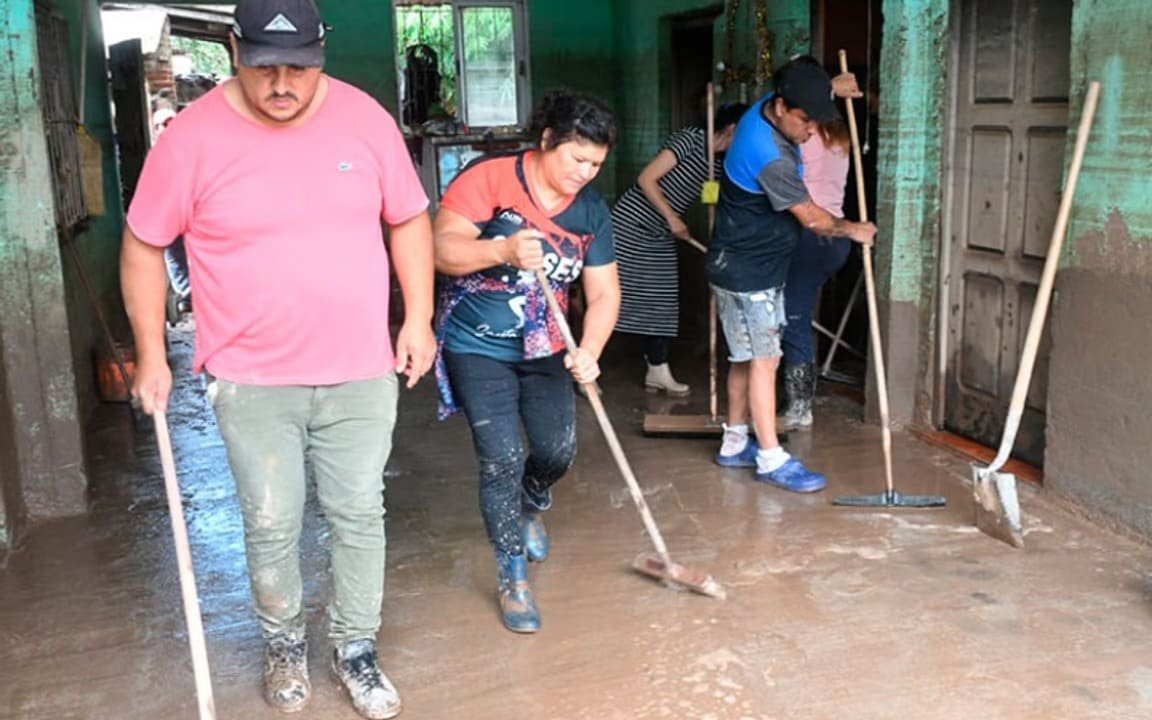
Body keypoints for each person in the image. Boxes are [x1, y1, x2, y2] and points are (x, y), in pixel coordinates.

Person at [120, 0, 435, 717]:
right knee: (270, 518)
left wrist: (416, 317)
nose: (283, 84)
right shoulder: (191, 139)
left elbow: (409, 218)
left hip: (358, 368)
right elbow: (142, 245)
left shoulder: (366, 120)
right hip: (250, 376)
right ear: (234, 49)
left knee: (360, 513)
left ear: (324, 51)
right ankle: (284, 643)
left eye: (300, 66)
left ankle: (356, 648)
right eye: (266, 66)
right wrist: (150, 354)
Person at [432, 91, 619, 634]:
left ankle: (532, 500)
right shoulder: (489, 180)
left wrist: (591, 350)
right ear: (546, 142)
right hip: (477, 345)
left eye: (595, 164)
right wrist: (502, 250)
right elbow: (442, 249)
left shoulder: (590, 211)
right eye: (575, 159)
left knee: (557, 450)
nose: (584, 173)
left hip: (546, 349)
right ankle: (513, 576)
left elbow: (604, 293)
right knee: (502, 457)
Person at [707, 57, 875, 493]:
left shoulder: (764, 108)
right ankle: (770, 457)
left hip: (732, 264)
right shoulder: (769, 156)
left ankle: (733, 442)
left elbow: (790, 79)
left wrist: (830, 88)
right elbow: (815, 220)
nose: (809, 131)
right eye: (805, 121)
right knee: (766, 361)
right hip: (754, 272)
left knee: (743, 358)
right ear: (782, 107)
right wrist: (854, 228)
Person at [611, 102, 749, 395]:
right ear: (733, 129)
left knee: (663, 301)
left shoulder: (722, 165)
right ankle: (586, 370)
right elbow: (646, 178)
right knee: (614, 300)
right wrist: (673, 217)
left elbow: (709, 198)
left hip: (660, 233)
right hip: (629, 225)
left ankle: (657, 371)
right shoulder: (690, 139)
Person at [777, 118, 853, 431]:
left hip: (812, 232)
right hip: (836, 236)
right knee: (796, 311)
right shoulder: (840, 137)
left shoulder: (802, 139)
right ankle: (794, 400)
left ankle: (799, 407)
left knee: (793, 315)